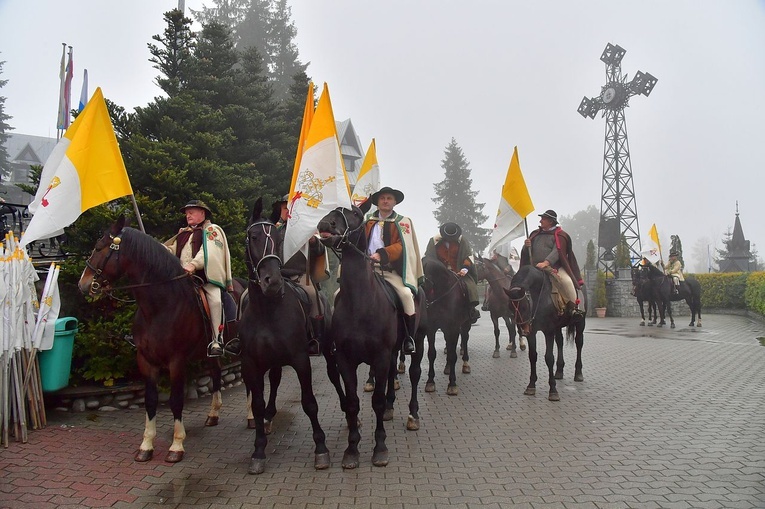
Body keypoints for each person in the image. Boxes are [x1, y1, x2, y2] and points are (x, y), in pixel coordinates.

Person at [164, 200, 234, 357]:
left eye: (192, 212)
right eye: (186, 212)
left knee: (215, 301)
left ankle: (217, 341)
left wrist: (193, 265)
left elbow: (209, 251)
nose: (187, 215)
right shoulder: (183, 233)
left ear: (203, 213)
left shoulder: (212, 230)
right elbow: (170, 249)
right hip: (182, 280)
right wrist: (157, 249)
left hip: (204, 279)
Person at [364, 186, 423, 355]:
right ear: (377, 202)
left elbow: (402, 246)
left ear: (395, 202)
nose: (385, 201)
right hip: (367, 270)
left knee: (405, 295)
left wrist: (382, 255)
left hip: (390, 271)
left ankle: (408, 338)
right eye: (382, 198)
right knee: (340, 293)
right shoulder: (367, 221)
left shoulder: (403, 222)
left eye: (389, 198)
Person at [271, 194, 330, 356]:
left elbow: (319, 251)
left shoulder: (307, 230)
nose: (287, 211)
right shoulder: (272, 230)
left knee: (312, 295)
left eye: (291, 208)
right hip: (276, 277)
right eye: (284, 208)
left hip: (299, 276)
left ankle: (316, 339)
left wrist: (313, 241)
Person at [521, 209, 584, 319]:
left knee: (566, 282)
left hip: (555, 267)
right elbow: (527, 252)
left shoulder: (561, 235)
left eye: (543, 219)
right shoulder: (535, 234)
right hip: (535, 268)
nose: (540, 221)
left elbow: (558, 251)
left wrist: (546, 262)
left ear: (550, 221)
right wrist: (526, 246)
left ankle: (574, 309)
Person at [424, 222, 481, 324]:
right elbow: (429, 257)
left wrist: (464, 269)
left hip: (459, 272)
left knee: (469, 286)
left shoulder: (462, 241)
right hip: (439, 273)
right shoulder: (434, 241)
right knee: (426, 287)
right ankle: (424, 310)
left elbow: (468, 256)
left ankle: (471, 309)